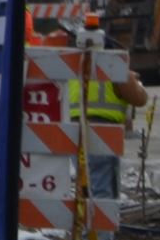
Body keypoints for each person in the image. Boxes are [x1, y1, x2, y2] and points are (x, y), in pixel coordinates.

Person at [64, 14, 151, 201]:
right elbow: (140, 98)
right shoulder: (113, 65)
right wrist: (132, 79)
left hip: (73, 129)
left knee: (84, 183)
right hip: (103, 131)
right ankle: (100, 229)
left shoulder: (69, 65)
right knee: (103, 188)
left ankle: (86, 226)